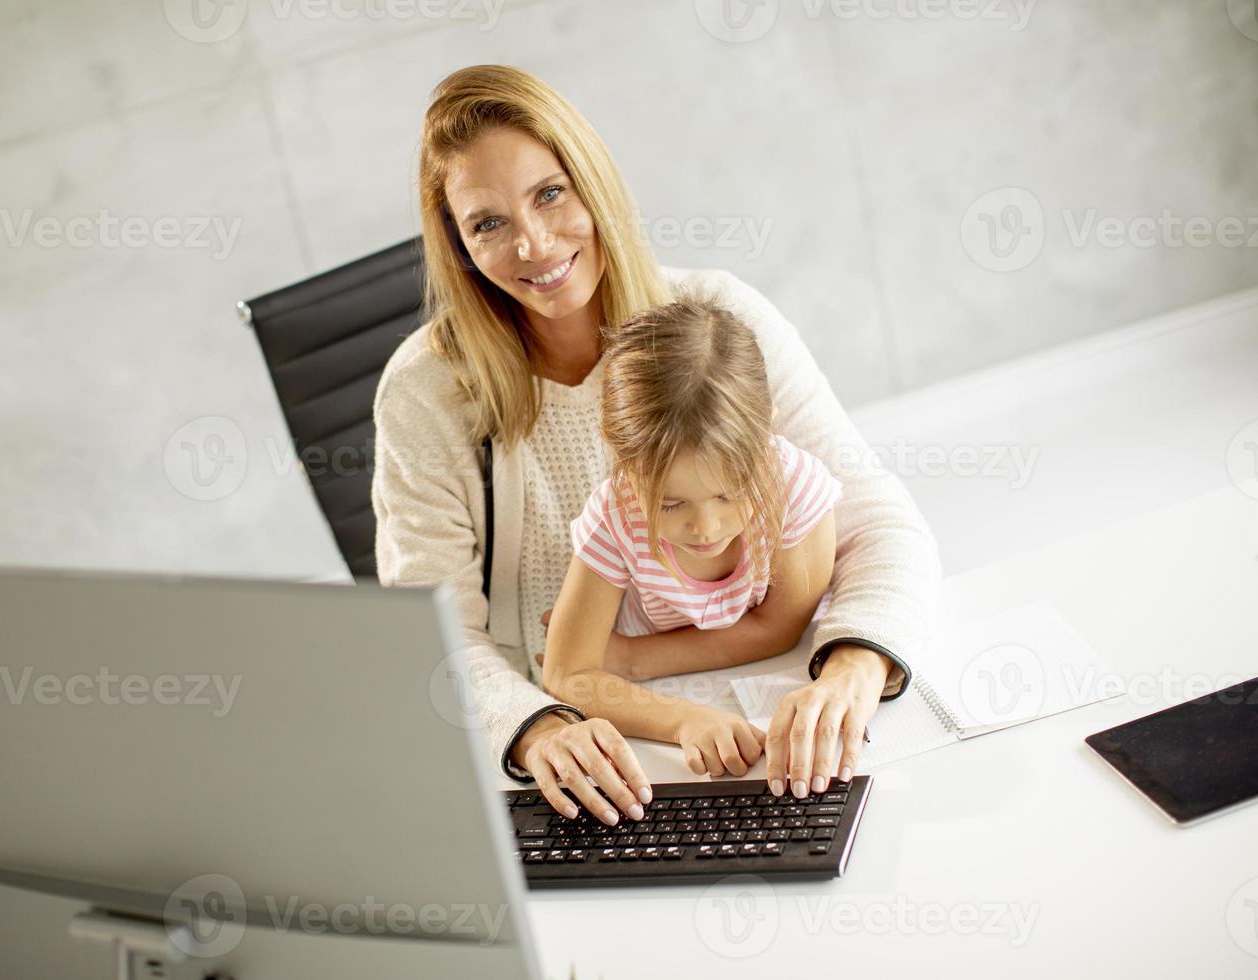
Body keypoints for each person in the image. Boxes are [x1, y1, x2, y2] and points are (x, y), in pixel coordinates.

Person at [372, 64, 940, 824]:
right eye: (488, 223)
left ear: (593, 183)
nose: (535, 245)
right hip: (568, 734)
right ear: (458, 244)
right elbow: (432, 634)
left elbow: (882, 523)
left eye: (550, 193)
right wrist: (534, 727)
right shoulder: (423, 390)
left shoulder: (718, 320)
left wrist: (855, 664)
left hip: (758, 705)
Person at [538, 296, 842, 810]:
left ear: (766, 430)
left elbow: (783, 627)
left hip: (742, 682)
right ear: (623, 461)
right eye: (671, 503)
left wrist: (631, 659)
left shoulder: (792, 484)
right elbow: (566, 675)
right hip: (668, 706)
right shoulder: (615, 516)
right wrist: (684, 721)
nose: (706, 528)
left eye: (730, 493)